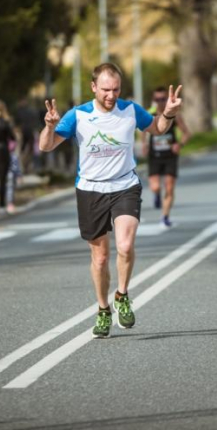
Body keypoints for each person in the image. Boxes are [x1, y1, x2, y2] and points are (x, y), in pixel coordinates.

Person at [39, 62, 182, 339]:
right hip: (91, 190)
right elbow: (46, 146)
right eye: (105, 89)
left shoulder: (130, 110)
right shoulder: (78, 115)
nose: (111, 95)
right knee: (101, 257)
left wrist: (168, 113)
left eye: (116, 89)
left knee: (126, 246)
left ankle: (122, 295)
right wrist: (49, 127)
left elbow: (158, 129)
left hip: (125, 185)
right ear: (93, 87)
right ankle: (103, 309)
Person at [142, 86, 191, 228]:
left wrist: (180, 144)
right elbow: (143, 131)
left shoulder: (174, 114)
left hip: (170, 155)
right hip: (154, 155)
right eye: (157, 99)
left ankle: (165, 216)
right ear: (153, 100)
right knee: (156, 187)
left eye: (163, 99)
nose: (160, 102)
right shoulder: (149, 113)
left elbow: (187, 133)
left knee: (169, 188)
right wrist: (144, 144)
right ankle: (157, 195)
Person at [5, 139, 22, 214]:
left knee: (7, 189)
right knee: (10, 189)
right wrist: (19, 175)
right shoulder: (13, 156)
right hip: (10, 174)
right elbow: (16, 167)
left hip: (4, 174)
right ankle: (10, 204)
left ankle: (6, 204)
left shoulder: (3, 154)